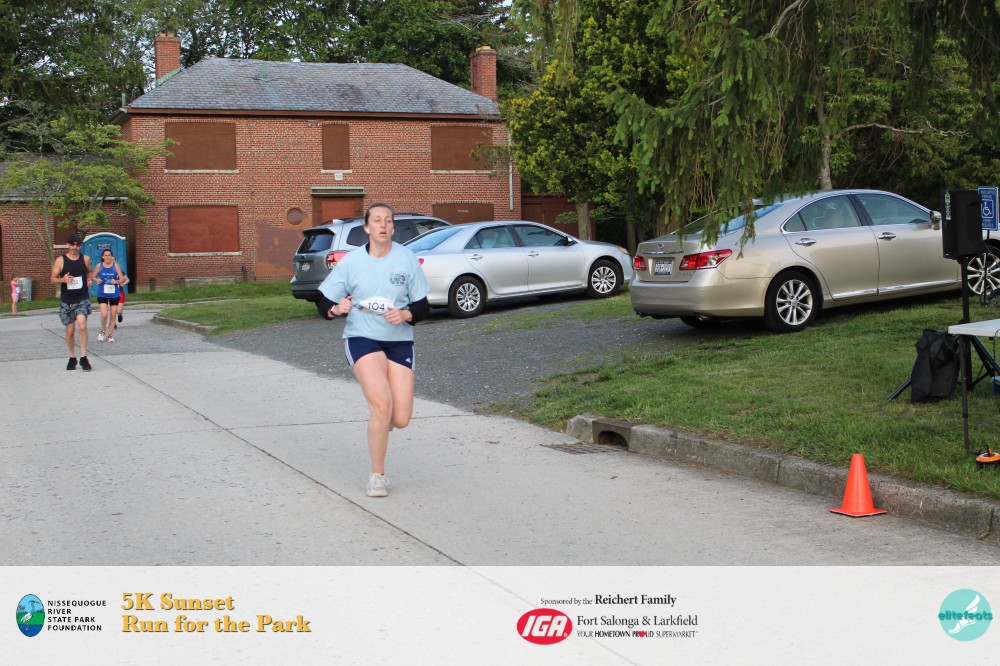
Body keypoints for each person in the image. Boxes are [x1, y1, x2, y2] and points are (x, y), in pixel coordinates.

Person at [316, 203, 430, 497]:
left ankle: (384, 423)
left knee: (400, 418)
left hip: (399, 340)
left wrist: (406, 314)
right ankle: (377, 476)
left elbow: (422, 306)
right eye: (377, 220)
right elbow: (323, 301)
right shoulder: (352, 262)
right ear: (366, 228)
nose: (383, 225)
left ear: (393, 227)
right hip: (361, 338)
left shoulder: (406, 259)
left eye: (388, 221)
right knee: (381, 405)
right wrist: (335, 309)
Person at [50, 234, 93, 370]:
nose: (75, 247)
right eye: (73, 244)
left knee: (82, 326)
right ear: (68, 245)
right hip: (67, 301)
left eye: (77, 245)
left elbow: (90, 272)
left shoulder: (85, 259)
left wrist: (89, 279)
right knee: (70, 331)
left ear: (80, 246)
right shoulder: (60, 261)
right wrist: (62, 280)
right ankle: (72, 357)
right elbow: (52, 278)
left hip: (82, 298)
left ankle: (84, 357)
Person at [91, 249, 129, 342]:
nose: (107, 257)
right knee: (104, 314)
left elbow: (122, 279)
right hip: (102, 293)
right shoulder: (99, 266)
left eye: (109, 255)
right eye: (106, 255)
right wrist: (97, 280)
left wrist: (116, 281)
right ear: (102, 257)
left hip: (114, 293)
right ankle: (103, 330)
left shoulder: (115, 266)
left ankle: (110, 335)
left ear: (111, 256)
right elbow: (93, 276)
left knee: (112, 315)